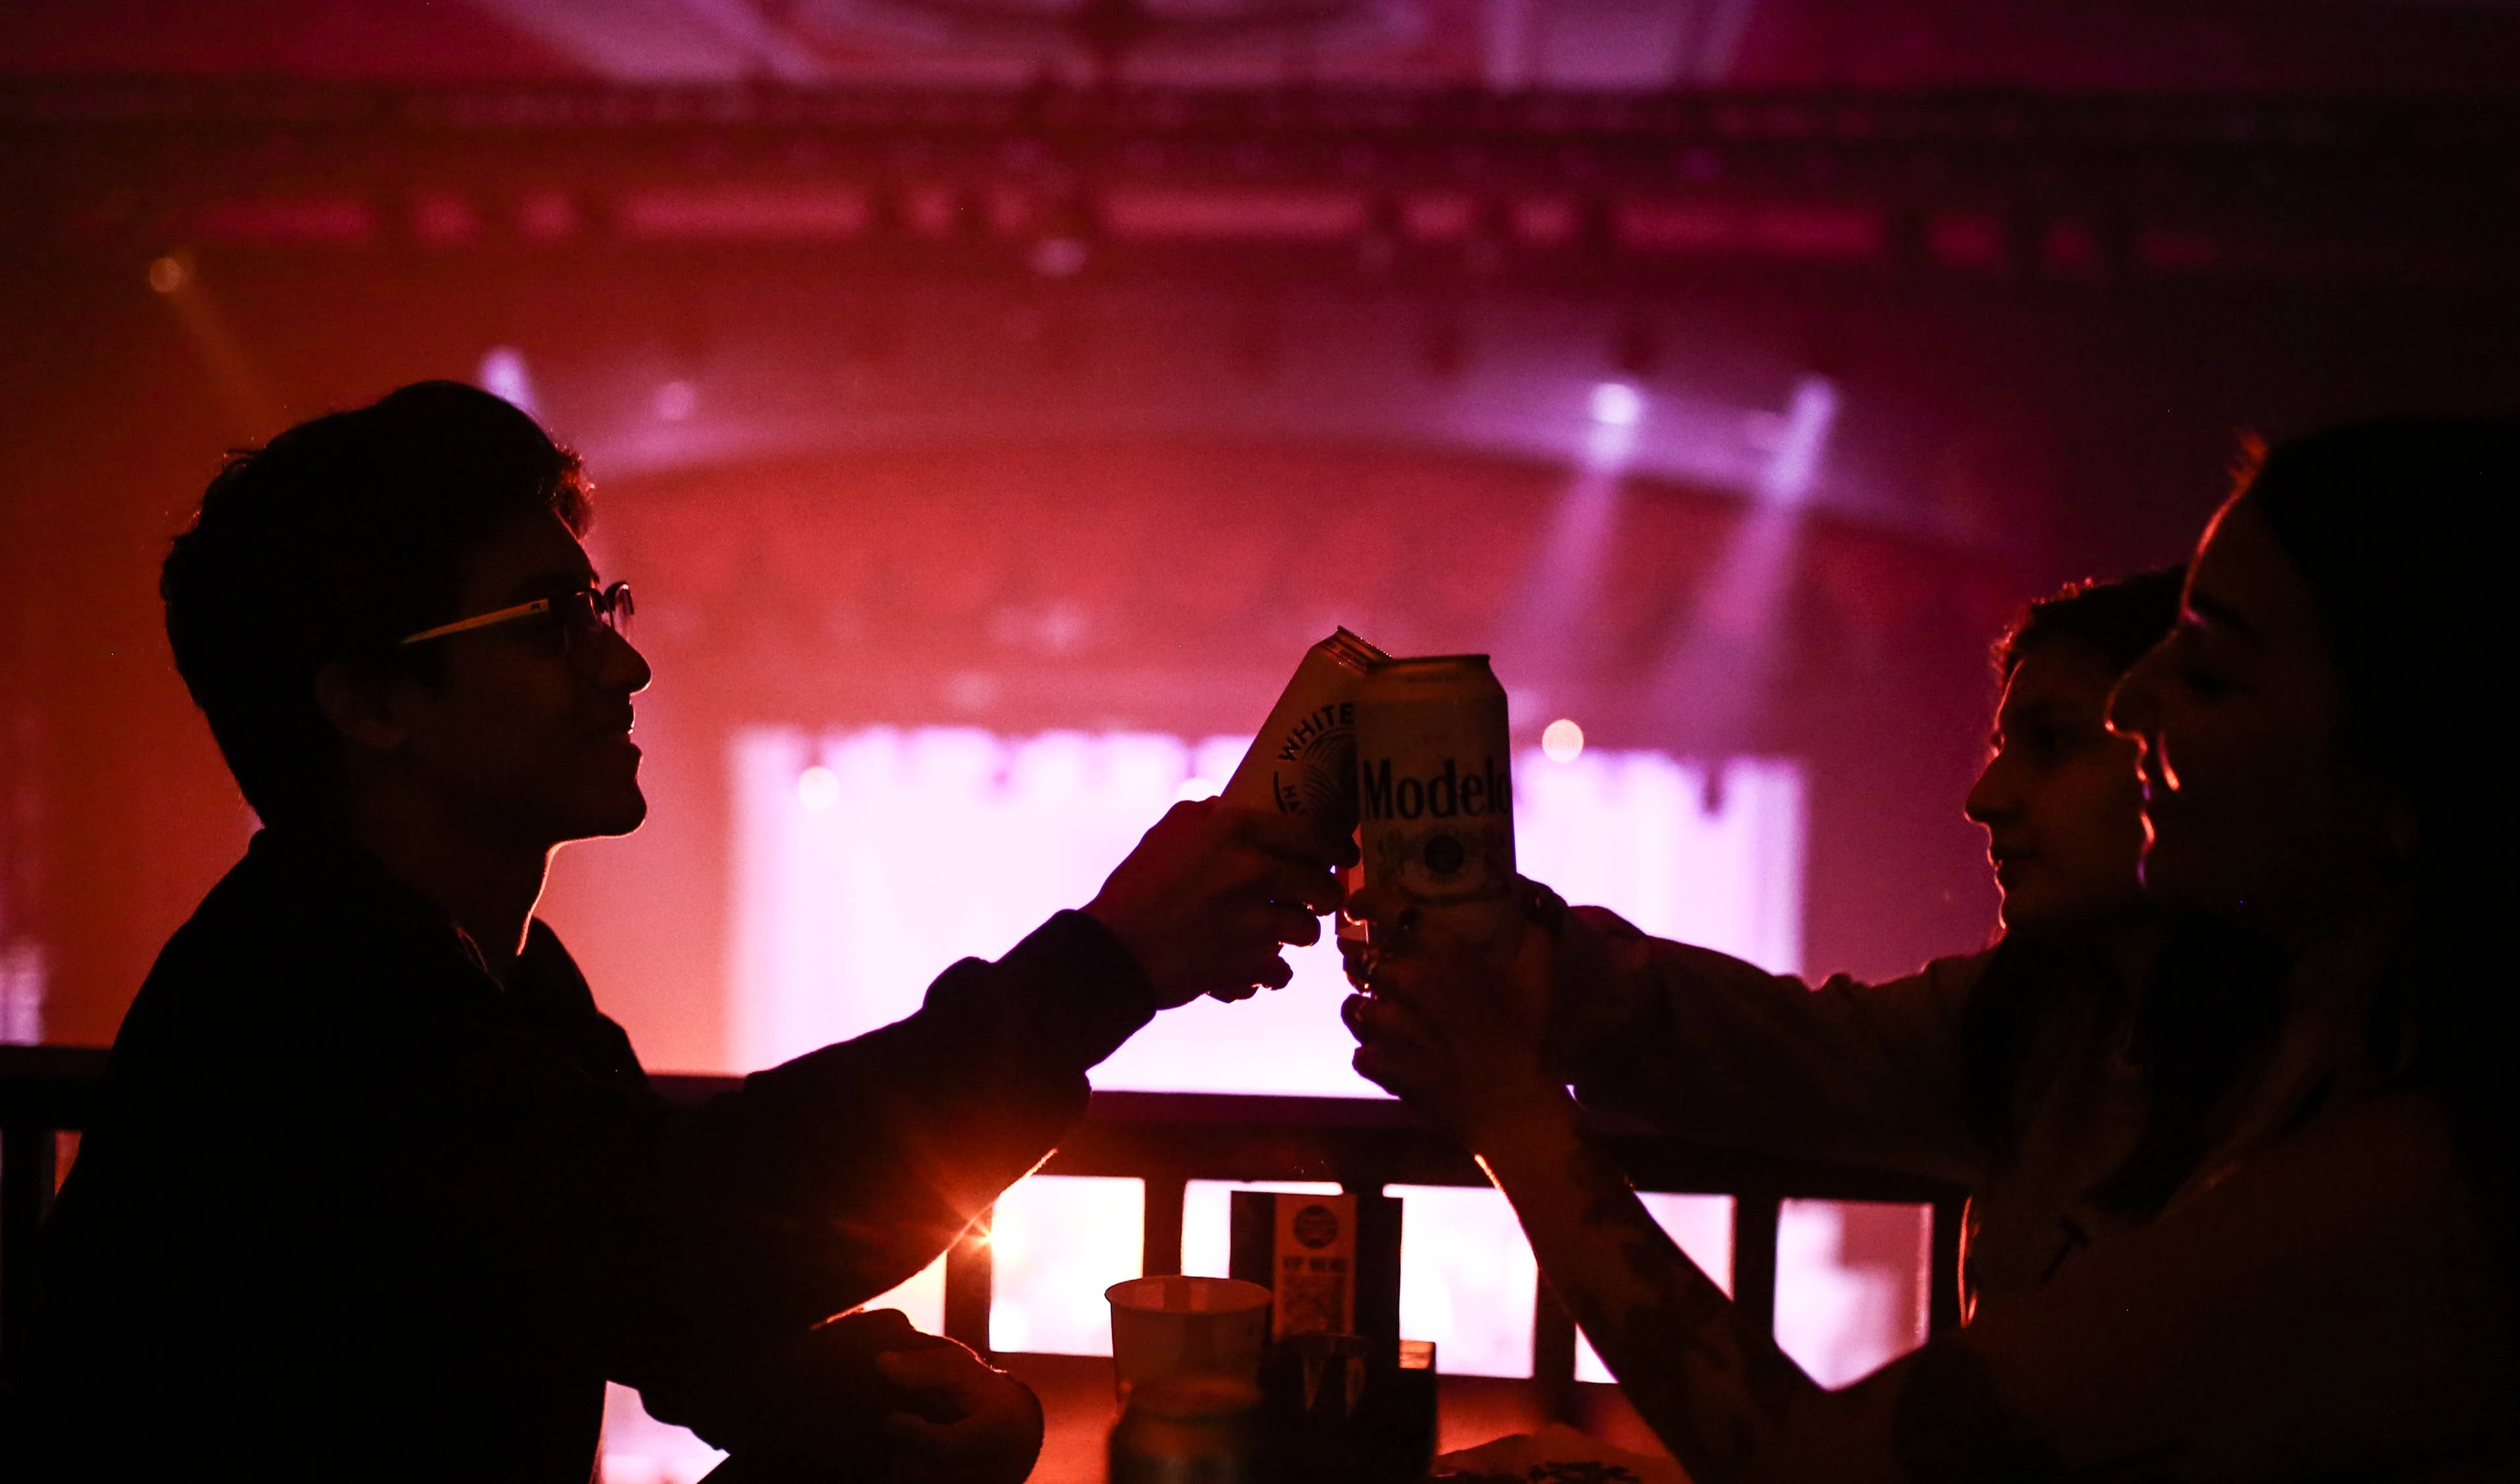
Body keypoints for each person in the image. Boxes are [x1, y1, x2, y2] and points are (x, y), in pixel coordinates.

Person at [7, 382, 1348, 1482]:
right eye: (549, 620)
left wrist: (897, 1404)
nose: (624, 661)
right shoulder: (311, 1001)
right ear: (370, 702)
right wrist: (1106, 965)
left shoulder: (490, 973)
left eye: (602, 606)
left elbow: (638, 1279)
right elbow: (683, 1241)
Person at [1347, 418, 2520, 1478]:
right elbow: (1748, 1040)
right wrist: (1502, 938)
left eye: (2210, 667)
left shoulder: (2412, 1180)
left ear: (2419, 761)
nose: (2135, 705)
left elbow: (1831, 1470)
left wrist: (1511, 1114)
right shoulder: (2070, 1022)